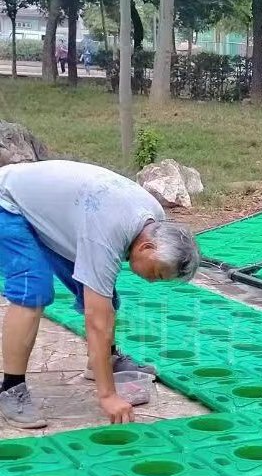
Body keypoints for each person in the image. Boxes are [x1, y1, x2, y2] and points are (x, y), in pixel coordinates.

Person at [0, 159, 200, 429]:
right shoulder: (109, 231)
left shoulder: (154, 219)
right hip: (8, 203)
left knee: (104, 295)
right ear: (147, 247)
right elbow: (96, 320)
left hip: (53, 209)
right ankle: (11, 389)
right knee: (33, 289)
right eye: (158, 273)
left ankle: (106, 360)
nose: (153, 281)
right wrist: (108, 395)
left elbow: (101, 301)